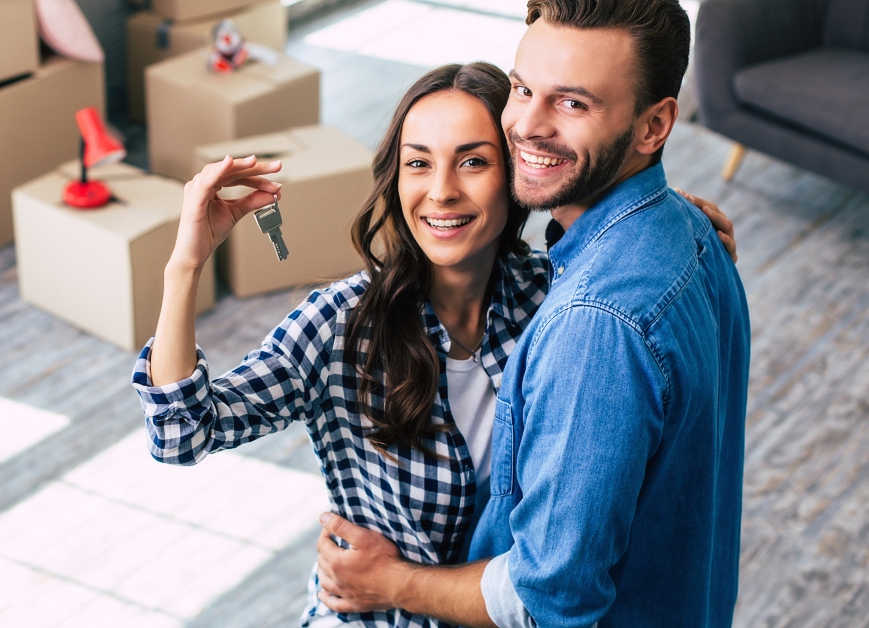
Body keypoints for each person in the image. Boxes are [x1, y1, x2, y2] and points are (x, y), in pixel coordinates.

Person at [133, 64, 735, 628]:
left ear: (517, 172)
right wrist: (184, 266)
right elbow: (182, 432)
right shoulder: (340, 324)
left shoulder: (556, 297)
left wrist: (674, 222)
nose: (441, 191)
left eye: (472, 163)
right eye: (417, 164)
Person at [313, 1, 751, 628]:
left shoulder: (596, 328)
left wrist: (392, 581)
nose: (524, 126)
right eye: (522, 89)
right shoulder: (693, 235)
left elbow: (548, 600)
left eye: (574, 104)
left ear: (653, 126)